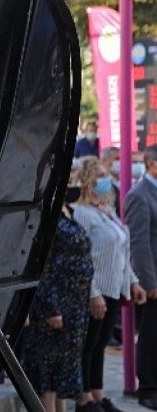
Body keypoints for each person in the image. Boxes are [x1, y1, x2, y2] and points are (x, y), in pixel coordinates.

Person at [74, 157, 146, 412]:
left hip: (114, 288)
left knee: (100, 345)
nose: (105, 181)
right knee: (89, 345)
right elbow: (82, 257)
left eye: (106, 175)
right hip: (95, 291)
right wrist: (93, 292)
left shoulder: (107, 210)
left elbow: (122, 253)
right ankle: (85, 399)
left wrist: (134, 283)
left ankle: (98, 394)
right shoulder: (82, 213)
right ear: (87, 182)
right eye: (99, 177)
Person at [23, 198, 93, 412]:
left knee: (61, 369)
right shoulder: (44, 214)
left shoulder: (68, 212)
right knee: (46, 367)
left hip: (74, 302)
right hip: (54, 303)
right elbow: (42, 265)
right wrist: (50, 308)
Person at [126, 145, 157, 409]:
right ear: (151, 164)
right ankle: (147, 389)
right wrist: (150, 282)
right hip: (153, 279)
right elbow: (139, 243)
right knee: (151, 335)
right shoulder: (140, 195)